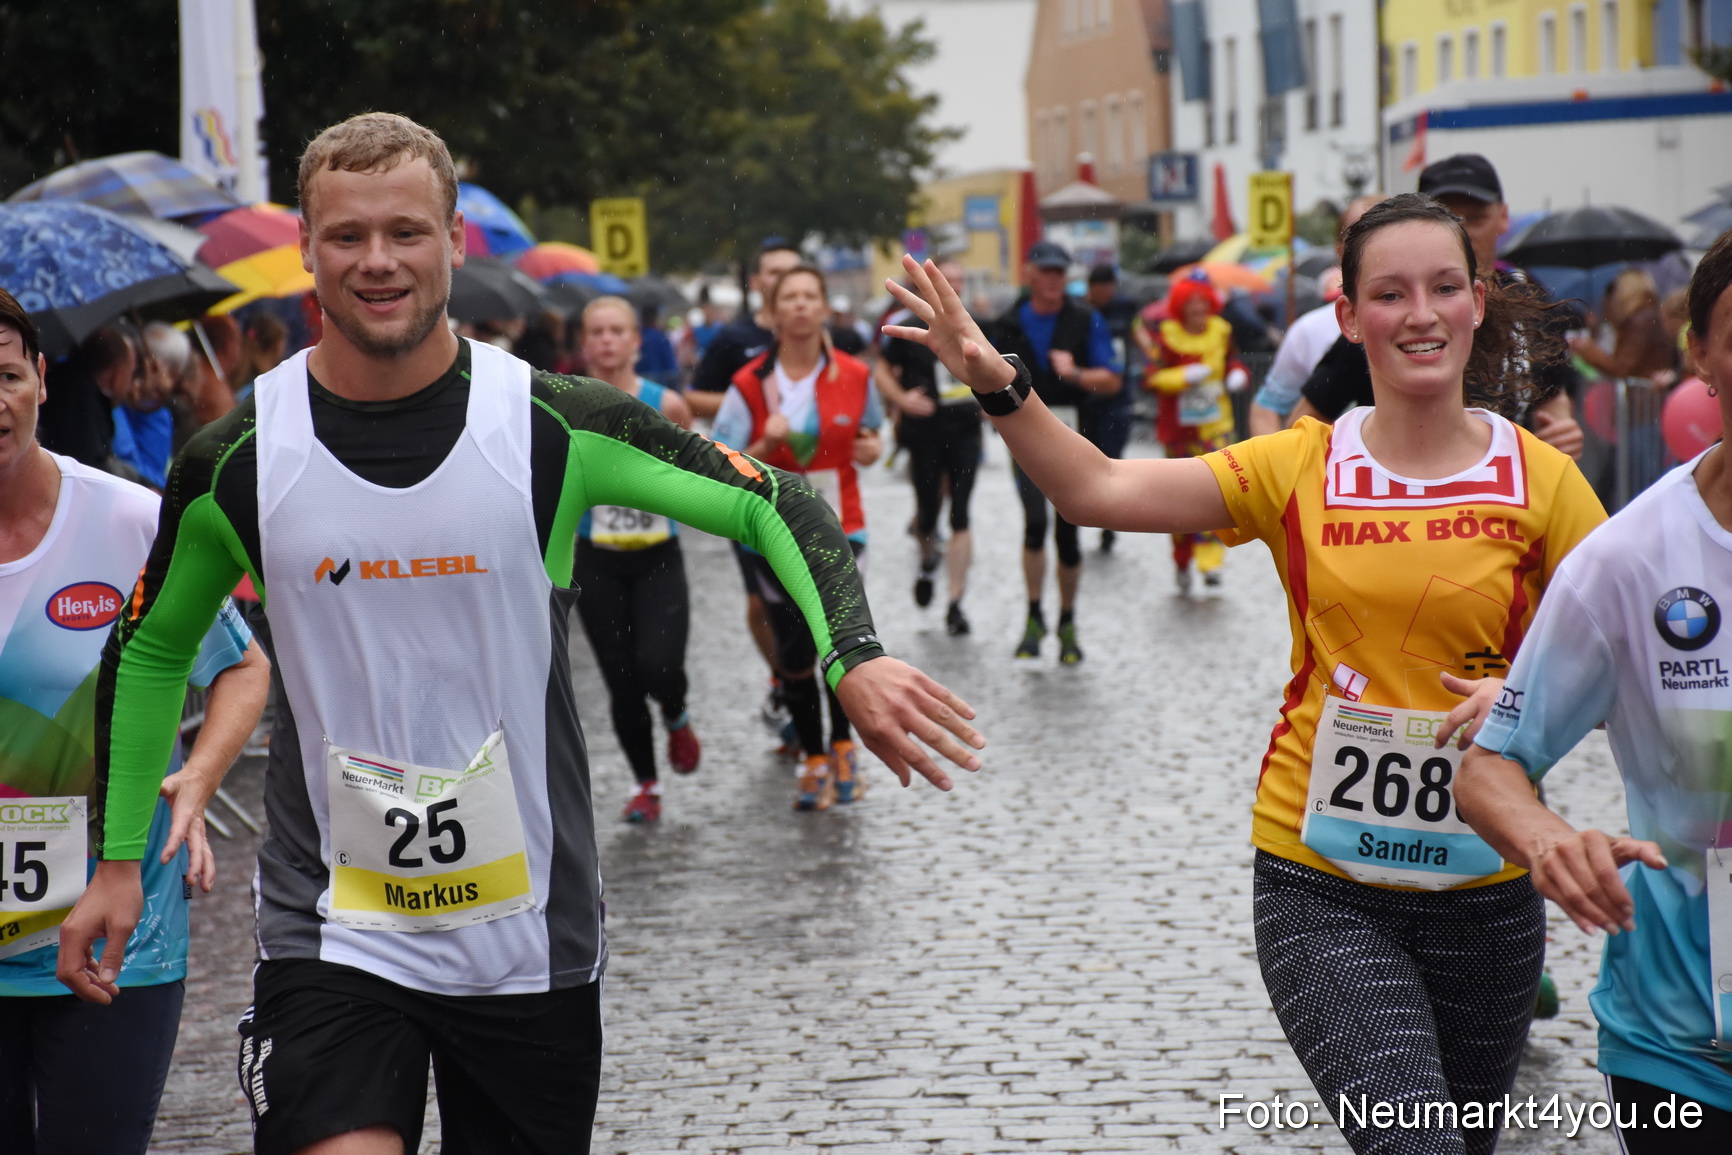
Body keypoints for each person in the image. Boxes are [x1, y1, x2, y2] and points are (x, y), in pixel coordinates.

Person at [56, 113, 982, 1155]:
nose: (377, 262)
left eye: (405, 232)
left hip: (528, 937)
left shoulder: (552, 424)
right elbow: (148, 649)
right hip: (332, 932)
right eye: (346, 236)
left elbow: (778, 502)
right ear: (307, 250)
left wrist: (850, 656)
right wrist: (120, 859)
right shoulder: (239, 459)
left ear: (454, 240)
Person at [886, 191, 1607, 1154]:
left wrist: (1524, 703)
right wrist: (1000, 385)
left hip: (1489, 887)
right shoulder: (1300, 464)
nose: (1421, 314)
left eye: (1444, 287)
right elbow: (1097, 487)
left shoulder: (1543, 480)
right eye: (1389, 294)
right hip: (1322, 884)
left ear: (1478, 299)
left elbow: (1625, 665)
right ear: (1348, 319)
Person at [1458, 227, 1732, 1152]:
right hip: (1685, 1047)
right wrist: (1547, 840)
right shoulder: (1629, 558)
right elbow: (1492, 763)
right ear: (1699, 354)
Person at [0, 289, 270, 1154]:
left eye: (5, 375)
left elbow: (240, 666)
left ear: (41, 379)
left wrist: (196, 780)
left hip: (121, 927)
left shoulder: (125, 518)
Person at [713, 264, 885, 810]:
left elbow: (873, 432)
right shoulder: (748, 385)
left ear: (825, 306)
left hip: (839, 525)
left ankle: (840, 749)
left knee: (833, 637)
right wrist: (764, 439)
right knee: (794, 645)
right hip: (768, 529)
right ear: (773, 310)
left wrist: (873, 448)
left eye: (812, 296)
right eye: (791, 297)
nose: (803, 306)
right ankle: (813, 753)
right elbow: (716, 461)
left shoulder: (856, 375)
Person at [1293, 155, 1585, 462]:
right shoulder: (1387, 321)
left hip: (1507, 498)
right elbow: (1305, 430)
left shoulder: (1533, 302)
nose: (1423, 317)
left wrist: (1562, 435)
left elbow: (1553, 400)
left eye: (1475, 218)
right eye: (1447, 216)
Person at [571, 296, 700, 824]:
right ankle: (645, 784)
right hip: (596, 559)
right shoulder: (564, 404)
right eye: (597, 331)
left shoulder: (665, 404)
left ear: (634, 341)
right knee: (620, 680)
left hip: (657, 558)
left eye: (616, 331)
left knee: (660, 665)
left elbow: (695, 474)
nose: (606, 340)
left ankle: (675, 711)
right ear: (584, 344)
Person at [688, 241, 806, 728]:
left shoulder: (813, 336)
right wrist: (745, 402)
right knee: (763, 600)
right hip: (752, 489)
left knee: (808, 596)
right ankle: (783, 677)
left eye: (792, 273)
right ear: (758, 282)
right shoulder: (733, 338)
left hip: (810, 486)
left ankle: (809, 691)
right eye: (773, 273)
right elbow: (695, 395)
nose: (783, 283)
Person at [989, 240, 1121, 663]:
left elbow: (1113, 380)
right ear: (1030, 273)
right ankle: (1032, 617)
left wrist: (1078, 374)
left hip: (1075, 438)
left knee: (1068, 529)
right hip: (1024, 441)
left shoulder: (1085, 319)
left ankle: (1067, 621)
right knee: (1032, 524)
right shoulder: (1008, 323)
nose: (1053, 281)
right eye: (1046, 272)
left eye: (1060, 273)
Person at [875, 256, 981, 635]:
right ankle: (926, 560)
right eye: (945, 281)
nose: (954, 288)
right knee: (927, 512)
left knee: (962, 514)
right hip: (925, 432)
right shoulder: (906, 329)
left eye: (959, 282)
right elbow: (881, 368)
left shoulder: (973, 327)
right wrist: (902, 400)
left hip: (965, 429)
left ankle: (955, 602)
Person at [1133, 269, 1249, 590]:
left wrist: (1237, 374)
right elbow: (1150, 377)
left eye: (1203, 301)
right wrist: (1183, 377)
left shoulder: (1222, 331)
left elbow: (1233, 360)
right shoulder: (1167, 336)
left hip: (1216, 425)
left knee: (1217, 494)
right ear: (1181, 305)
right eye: (1191, 302)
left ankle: (1211, 563)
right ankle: (1182, 559)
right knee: (1180, 502)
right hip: (1180, 431)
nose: (1198, 308)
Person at [1249, 195, 1382, 435]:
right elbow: (1266, 409)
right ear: (1340, 250)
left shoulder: (1444, 323)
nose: (1375, 245)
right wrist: (1277, 468)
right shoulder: (1311, 331)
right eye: (1360, 233)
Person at [1083, 264, 1140, 552]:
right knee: (1086, 458)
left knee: (1113, 458)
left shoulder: (1125, 307)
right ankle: (1093, 512)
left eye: (1109, 287)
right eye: (1099, 287)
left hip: (1118, 397)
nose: (1105, 293)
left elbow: (1138, 334)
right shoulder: (1081, 312)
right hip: (1088, 397)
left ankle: (1108, 523)